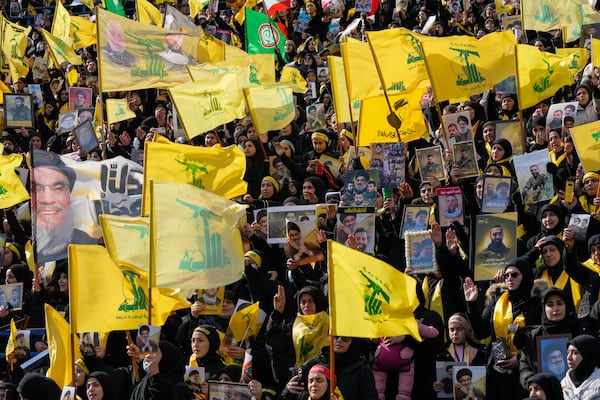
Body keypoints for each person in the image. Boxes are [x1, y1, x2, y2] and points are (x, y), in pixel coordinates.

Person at [31, 149, 96, 263]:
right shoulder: (33, 242)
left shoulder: (86, 240)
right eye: (38, 188)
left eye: (57, 188)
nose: (48, 200)